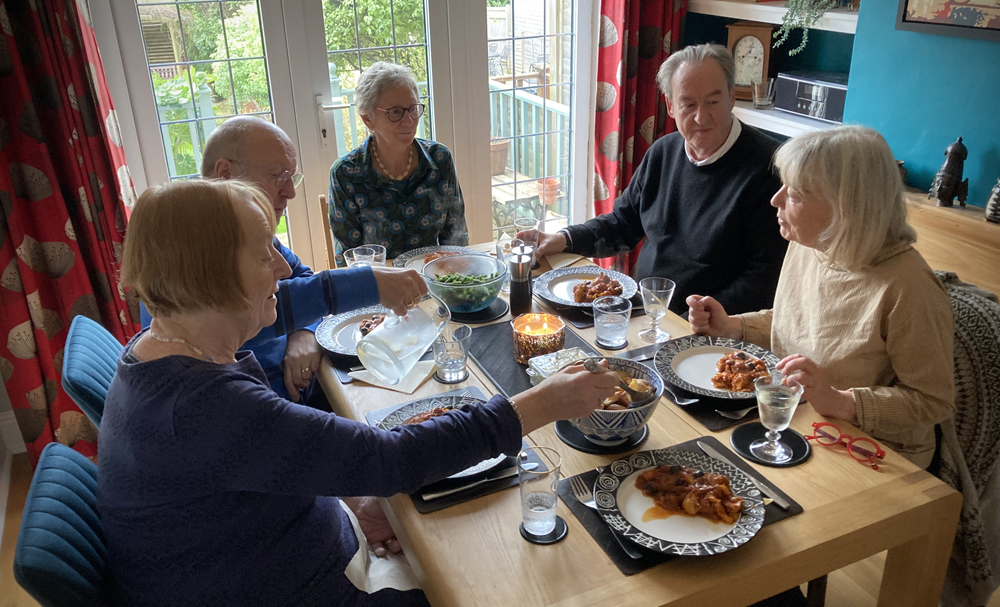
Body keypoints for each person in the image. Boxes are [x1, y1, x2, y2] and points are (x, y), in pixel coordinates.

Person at [102, 179, 620, 607]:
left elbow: (273, 463)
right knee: (505, 583)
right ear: (209, 276)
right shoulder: (200, 408)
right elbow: (389, 458)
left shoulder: (166, 348)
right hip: (290, 590)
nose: (283, 269)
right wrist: (539, 405)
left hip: (282, 554)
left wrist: (350, 502)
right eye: (264, 255)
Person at [687, 125, 955, 468]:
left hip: (874, 453)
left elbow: (933, 401)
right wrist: (733, 326)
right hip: (801, 424)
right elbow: (796, 321)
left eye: (795, 194)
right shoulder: (810, 245)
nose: (776, 200)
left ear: (844, 209)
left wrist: (843, 402)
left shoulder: (910, 287)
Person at [139, 116, 424, 406]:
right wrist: (367, 283)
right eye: (278, 176)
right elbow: (236, 304)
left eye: (292, 177)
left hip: (299, 388)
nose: (290, 192)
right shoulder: (185, 241)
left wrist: (303, 331)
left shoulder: (240, 221)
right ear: (225, 172)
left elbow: (300, 275)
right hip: (260, 404)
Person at [527, 43, 787, 315]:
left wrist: (699, 320)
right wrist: (563, 239)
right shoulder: (663, 152)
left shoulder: (770, 167)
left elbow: (766, 277)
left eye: (713, 101)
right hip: (644, 312)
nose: (701, 116)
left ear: (732, 97)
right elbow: (621, 224)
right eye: (688, 104)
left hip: (709, 330)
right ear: (671, 106)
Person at [329, 62, 468, 265]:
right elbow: (349, 260)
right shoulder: (347, 173)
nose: (409, 121)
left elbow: (457, 238)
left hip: (435, 278)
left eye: (413, 109)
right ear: (368, 119)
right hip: (380, 286)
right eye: (395, 112)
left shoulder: (440, 159)